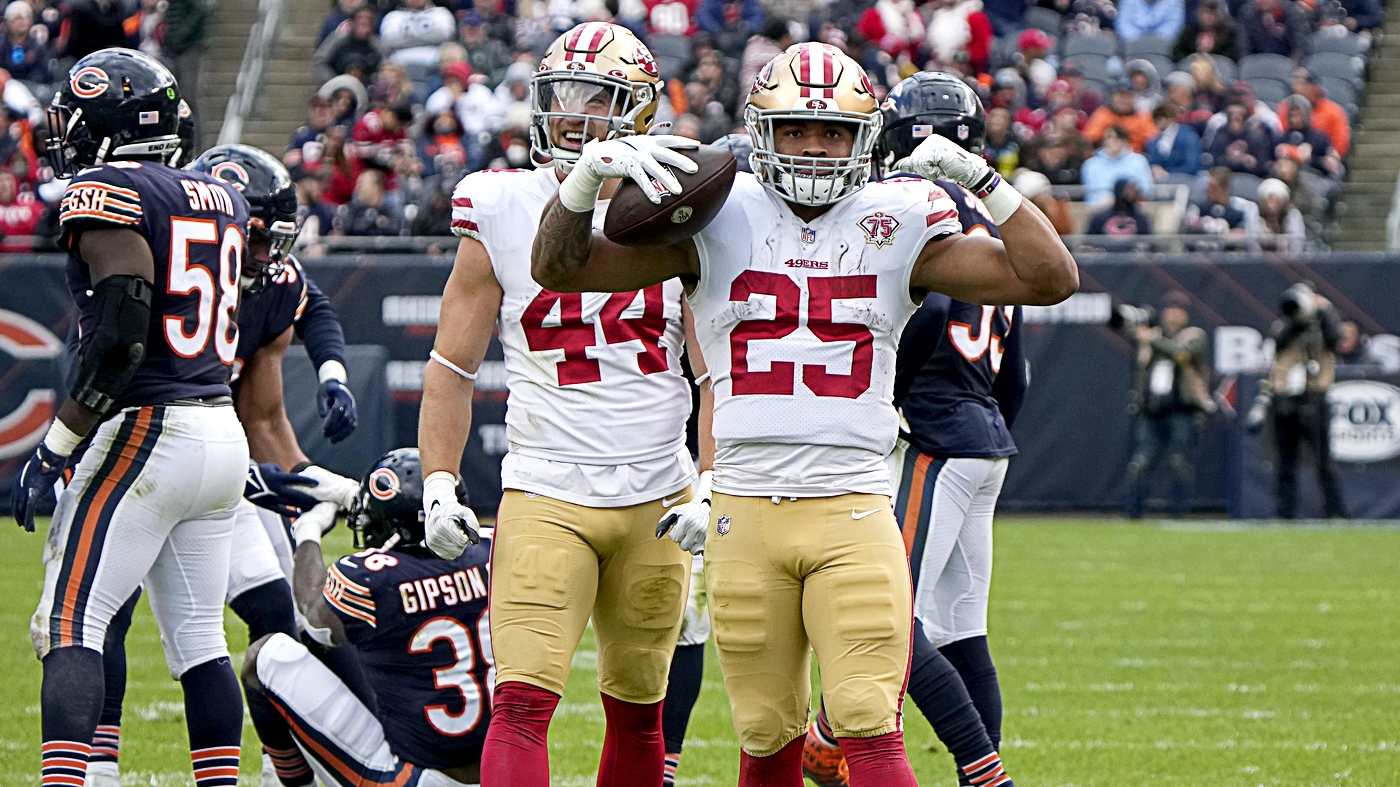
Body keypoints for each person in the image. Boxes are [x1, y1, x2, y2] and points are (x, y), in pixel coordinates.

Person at [527, 41, 1077, 786]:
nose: (813, 148)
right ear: (762, 133)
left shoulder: (900, 216)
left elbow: (1050, 279)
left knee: (867, 724)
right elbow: (557, 270)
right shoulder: (717, 213)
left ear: (865, 140)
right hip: (746, 512)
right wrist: (588, 179)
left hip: (851, 504)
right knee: (766, 734)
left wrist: (984, 181)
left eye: (832, 133)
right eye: (794, 130)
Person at [421, 23, 704, 787]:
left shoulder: (680, 208)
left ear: (641, 112)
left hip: (657, 489)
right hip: (547, 485)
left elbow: (715, 378)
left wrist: (711, 480)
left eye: (597, 99)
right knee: (519, 701)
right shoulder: (503, 202)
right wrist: (439, 479)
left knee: (640, 708)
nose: (574, 117)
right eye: (563, 98)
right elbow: (452, 363)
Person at [82, 145, 361, 786]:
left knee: (270, 615)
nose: (264, 257)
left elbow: (263, 415)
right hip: (132, 455)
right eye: (255, 237)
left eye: (272, 240)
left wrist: (308, 484)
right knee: (106, 619)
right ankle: (96, 771)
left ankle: (282, 768)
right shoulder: (147, 267)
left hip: (209, 469)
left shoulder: (273, 284)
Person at [13, 48, 250, 787]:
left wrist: (56, 447)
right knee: (200, 639)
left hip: (152, 427)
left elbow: (121, 332)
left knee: (69, 623)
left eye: (78, 121)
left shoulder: (106, 189)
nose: (69, 136)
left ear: (110, 122)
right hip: (219, 427)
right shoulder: (219, 193)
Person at [802, 70, 1025, 787]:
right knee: (960, 622)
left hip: (938, 433)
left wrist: (890, 398)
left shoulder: (909, 207)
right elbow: (1016, 371)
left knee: (891, 617)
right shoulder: (992, 224)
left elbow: (927, 315)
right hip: (985, 435)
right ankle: (980, 774)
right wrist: (985, 423)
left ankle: (980, 770)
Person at [242, 448, 493, 787]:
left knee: (263, 657)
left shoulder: (374, 578)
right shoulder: (493, 551)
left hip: (417, 777)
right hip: (501, 769)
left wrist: (307, 532)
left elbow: (314, 619)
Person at [1245, 283, 1346, 518]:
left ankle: (1335, 511)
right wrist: (1297, 318)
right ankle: (1284, 513)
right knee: (1284, 463)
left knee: (1323, 462)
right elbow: (1278, 341)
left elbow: (1335, 340)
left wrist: (1325, 310)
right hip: (1285, 400)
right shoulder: (1284, 325)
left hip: (1314, 397)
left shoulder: (1324, 323)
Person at [1123, 291, 1211, 518]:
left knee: (1178, 462)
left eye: (1178, 312)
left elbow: (1182, 355)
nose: (1173, 317)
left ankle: (1179, 514)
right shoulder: (1152, 336)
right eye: (1169, 312)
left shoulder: (1193, 336)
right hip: (1152, 410)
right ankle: (1134, 514)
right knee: (1140, 463)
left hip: (1182, 410)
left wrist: (1152, 340)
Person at [1281, 69, 1349, 157]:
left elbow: (1340, 144)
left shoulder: (1333, 112)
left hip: (1322, 161)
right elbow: (1281, 136)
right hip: (1289, 160)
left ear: (1314, 87)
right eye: (1295, 83)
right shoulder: (1286, 109)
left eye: (1301, 83)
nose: (1296, 88)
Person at [1081, 125, 1154, 208]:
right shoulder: (1091, 165)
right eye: (1109, 138)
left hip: (1132, 206)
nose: (1113, 141)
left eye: (1117, 138)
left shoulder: (1139, 161)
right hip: (1100, 207)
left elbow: (1147, 188)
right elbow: (1090, 192)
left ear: (1124, 141)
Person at [1181, 165, 1258, 241]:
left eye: (1213, 187)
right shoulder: (1197, 208)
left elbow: (1246, 237)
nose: (1208, 191)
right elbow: (1189, 229)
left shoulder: (1242, 209)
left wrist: (1223, 233)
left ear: (1225, 189)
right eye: (1207, 186)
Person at [1201, 99, 1274, 176]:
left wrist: (1251, 163)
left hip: (1249, 176)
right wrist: (1234, 160)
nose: (1236, 116)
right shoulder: (1221, 134)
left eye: (1239, 115)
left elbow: (1262, 165)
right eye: (1232, 114)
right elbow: (1215, 160)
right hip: (1225, 175)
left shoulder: (1256, 136)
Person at [312, 7, 383, 84]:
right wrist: (333, 81)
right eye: (360, 18)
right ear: (352, 22)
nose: (364, 21)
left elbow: (385, 65)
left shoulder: (377, 44)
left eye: (368, 19)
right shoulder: (337, 40)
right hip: (336, 84)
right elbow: (319, 61)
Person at [1084, 81, 1158, 153]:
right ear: (1113, 97)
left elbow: (1154, 141)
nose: (1123, 99)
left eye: (1128, 95)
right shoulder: (1102, 114)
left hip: (1135, 159)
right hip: (1107, 158)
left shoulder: (1143, 117)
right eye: (1120, 95)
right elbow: (1089, 139)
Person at [378, 0, 456, 68]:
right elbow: (389, 38)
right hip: (399, 64)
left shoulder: (441, 13)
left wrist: (407, 35)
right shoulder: (393, 16)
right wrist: (427, 34)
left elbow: (445, 33)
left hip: (436, 63)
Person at [1235, 0, 1312, 59]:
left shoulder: (1294, 13)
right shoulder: (1246, 13)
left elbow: (1301, 46)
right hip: (1257, 64)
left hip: (1288, 64)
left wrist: (1293, 63)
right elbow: (1243, 46)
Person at [1146, 102, 1202, 181]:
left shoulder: (1188, 137)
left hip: (1187, 182)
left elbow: (1192, 166)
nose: (1160, 121)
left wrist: (1168, 174)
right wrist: (1154, 169)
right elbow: (1152, 162)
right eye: (1157, 119)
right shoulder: (1153, 142)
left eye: (1163, 117)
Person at [1087, 178, 1155, 235]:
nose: (1134, 192)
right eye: (1129, 188)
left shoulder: (1142, 219)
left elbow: (1150, 245)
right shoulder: (1099, 219)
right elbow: (1089, 243)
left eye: (1134, 189)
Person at [1256, 176, 1305, 251]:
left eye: (1276, 201)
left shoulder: (1292, 215)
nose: (1272, 205)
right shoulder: (1257, 215)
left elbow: (1298, 240)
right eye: (1269, 200)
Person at [1116, 0, 1184, 44]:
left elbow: (1172, 28)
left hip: (1163, 50)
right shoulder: (1127, 1)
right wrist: (1140, 40)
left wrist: (1152, 41)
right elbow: (1123, 26)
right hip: (1131, 48)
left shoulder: (1174, 2)